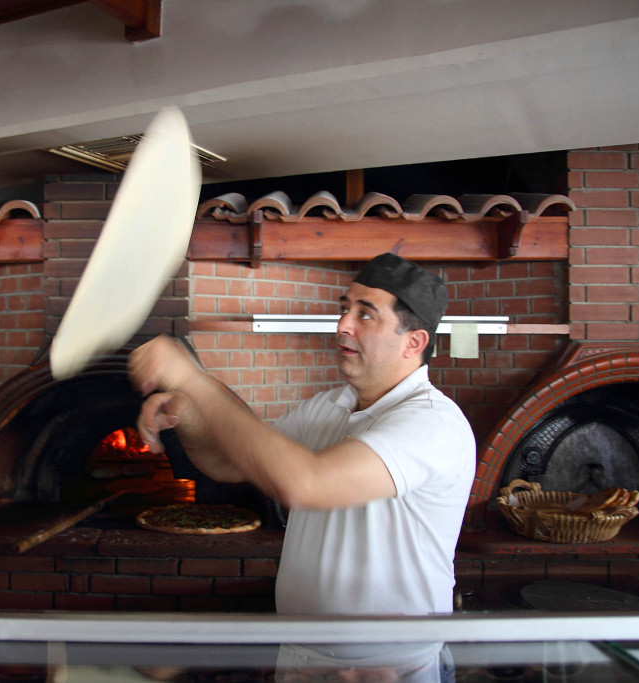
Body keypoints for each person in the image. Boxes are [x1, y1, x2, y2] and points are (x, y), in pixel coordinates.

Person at [128, 252, 475, 677]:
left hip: (389, 669)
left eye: (366, 315)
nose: (343, 324)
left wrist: (192, 379)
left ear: (414, 342)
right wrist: (187, 413)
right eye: (344, 308)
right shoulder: (329, 407)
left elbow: (305, 484)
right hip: (302, 658)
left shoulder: (431, 423)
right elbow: (230, 463)